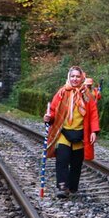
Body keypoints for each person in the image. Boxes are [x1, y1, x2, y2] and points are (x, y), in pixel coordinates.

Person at [44, 66, 100, 198]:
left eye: (77, 76)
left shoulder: (87, 95)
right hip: (63, 132)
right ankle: (62, 187)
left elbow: (93, 114)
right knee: (62, 160)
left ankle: (72, 186)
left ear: (82, 78)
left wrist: (94, 131)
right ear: (69, 77)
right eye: (73, 76)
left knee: (76, 163)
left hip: (80, 134)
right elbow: (53, 110)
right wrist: (48, 117)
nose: (75, 79)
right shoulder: (62, 92)